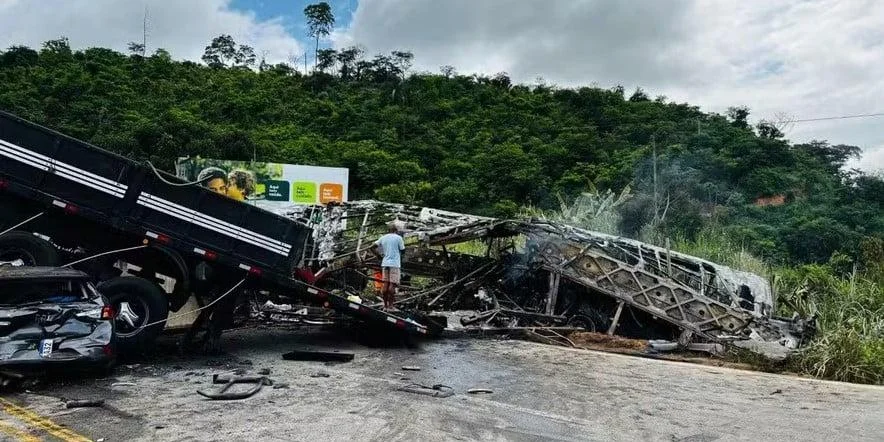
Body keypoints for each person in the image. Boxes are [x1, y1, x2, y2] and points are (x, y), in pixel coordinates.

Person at [372, 222, 405, 311]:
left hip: (385, 263)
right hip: (394, 264)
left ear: (388, 230)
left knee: (385, 284)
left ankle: (385, 306)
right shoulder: (398, 238)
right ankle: (391, 306)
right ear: (396, 230)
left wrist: (378, 255)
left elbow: (372, 247)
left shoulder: (383, 238)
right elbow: (403, 250)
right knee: (392, 285)